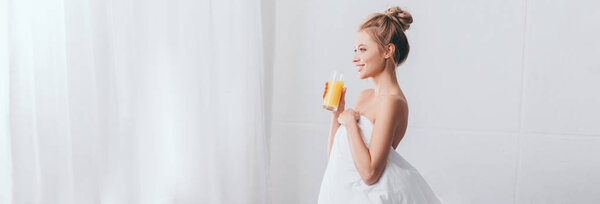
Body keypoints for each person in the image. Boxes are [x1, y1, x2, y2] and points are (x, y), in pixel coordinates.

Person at [318, 6, 441, 204]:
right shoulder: (365, 96)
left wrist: (350, 124)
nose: (355, 58)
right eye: (355, 50)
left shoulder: (393, 102)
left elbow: (370, 173)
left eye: (363, 49)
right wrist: (337, 112)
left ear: (387, 51)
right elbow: (337, 158)